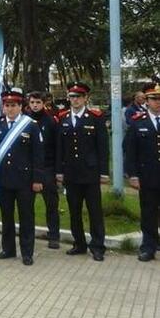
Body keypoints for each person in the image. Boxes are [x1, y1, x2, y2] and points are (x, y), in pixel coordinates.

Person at [56, 81, 109, 262]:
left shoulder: (95, 117)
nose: (75, 100)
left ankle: (97, 246)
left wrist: (104, 172)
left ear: (86, 98)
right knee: (74, 210)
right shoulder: (62, 117)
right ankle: (79, 243)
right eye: (72, 96)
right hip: (71, 173)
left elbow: (102, 147)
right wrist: (59, 171)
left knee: (94, 211)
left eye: (78, 96)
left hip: (90, 172)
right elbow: (59, 149)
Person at [0, 88, 44, 266]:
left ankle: (27, 252)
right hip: (4, 180)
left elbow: (38, 155)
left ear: (21, 106)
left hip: (24, 180)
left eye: (13, 105)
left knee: (26, 217)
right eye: (7, 105)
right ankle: (8, 249)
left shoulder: (30, 125)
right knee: (6, 216)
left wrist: (38, 179)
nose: (10, 109)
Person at [124, 82, 160, 262]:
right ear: (146, 100)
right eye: (154, 99)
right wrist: (133, 175)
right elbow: (130, 151)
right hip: (148, 177)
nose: (158, 102)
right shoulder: (138, 122)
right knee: (149, 213)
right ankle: (148, 247)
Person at [26, 90, 60, 248]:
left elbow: (58, 147)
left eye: (38, 102)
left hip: (47, 168)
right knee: (27, 205)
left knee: (51, 204)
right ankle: (28, 234)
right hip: (28, 169)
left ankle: (54, 235)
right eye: (32, 102)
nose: (34, 105)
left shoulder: (51, 121)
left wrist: (57, 171)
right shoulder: (24, 120)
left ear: (44, 103)